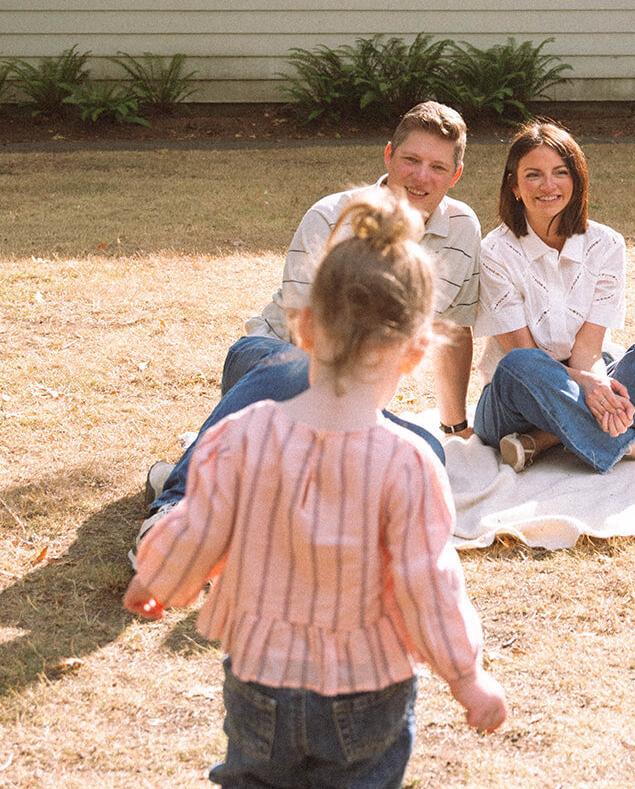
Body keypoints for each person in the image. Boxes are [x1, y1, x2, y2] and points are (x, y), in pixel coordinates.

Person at [124, 189, 507, 789]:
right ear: (414, 351)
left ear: (302, 328)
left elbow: (198, 525)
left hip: (261, 673)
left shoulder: (243, 434)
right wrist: (468, 677)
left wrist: (155, 579)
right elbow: (428, 583)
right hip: (368, 690)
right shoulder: (408, 463)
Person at [132, 101, 480, 564]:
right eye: (411, 161)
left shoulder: (462, 229)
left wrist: (454, 427)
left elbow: (452, 326)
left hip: (357, 394)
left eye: (437, 167)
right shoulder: (332, 216)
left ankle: (236, 491)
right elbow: (305, 333)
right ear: (388, 157)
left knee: (429, 454)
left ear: (455, 176)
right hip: (272, 360)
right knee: (294, 369)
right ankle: (174, 510)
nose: (421, 177)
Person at [471, 121, 635, 473]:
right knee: (521, 365)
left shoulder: (607, 245)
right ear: (515, 186)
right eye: (533, 175)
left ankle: (545, 439)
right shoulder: (493, 252)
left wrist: (597, 383)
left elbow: (588, 350)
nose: (548, 186)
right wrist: (590, 385)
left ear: (576, 180)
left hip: (585, 372)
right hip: (514, 400)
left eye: (560, 172)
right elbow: (524, 353)